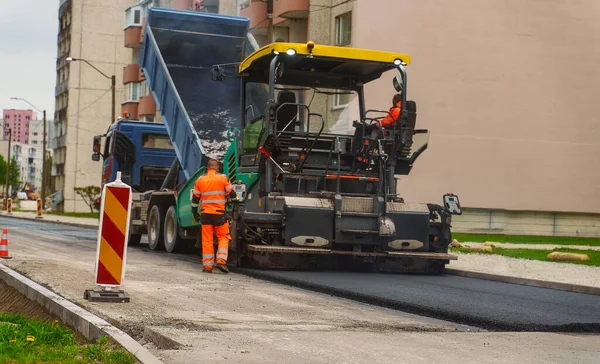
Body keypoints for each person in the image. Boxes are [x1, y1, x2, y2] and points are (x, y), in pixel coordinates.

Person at [191, 159, 237, 273]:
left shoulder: (200, 179)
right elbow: (232, 193)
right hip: (219, 214)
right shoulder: (223, 178)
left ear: (208, 167)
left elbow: (195, 198)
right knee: (223, 237)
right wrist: (234, 201)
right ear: (216, 167)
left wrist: (194, 212)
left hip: (205, 214)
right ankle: (221, 261)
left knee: (207, 240)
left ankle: (208, 266)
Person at [354, 93, 402, 167]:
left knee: (370, 130)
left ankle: (365, 152)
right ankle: (365, 151)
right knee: (370, 129)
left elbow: (389, 121)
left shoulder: (397, 110)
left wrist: (378, 124)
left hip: (388, 133)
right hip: (389, 131)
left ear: (395, 100)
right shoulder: (397, 109)